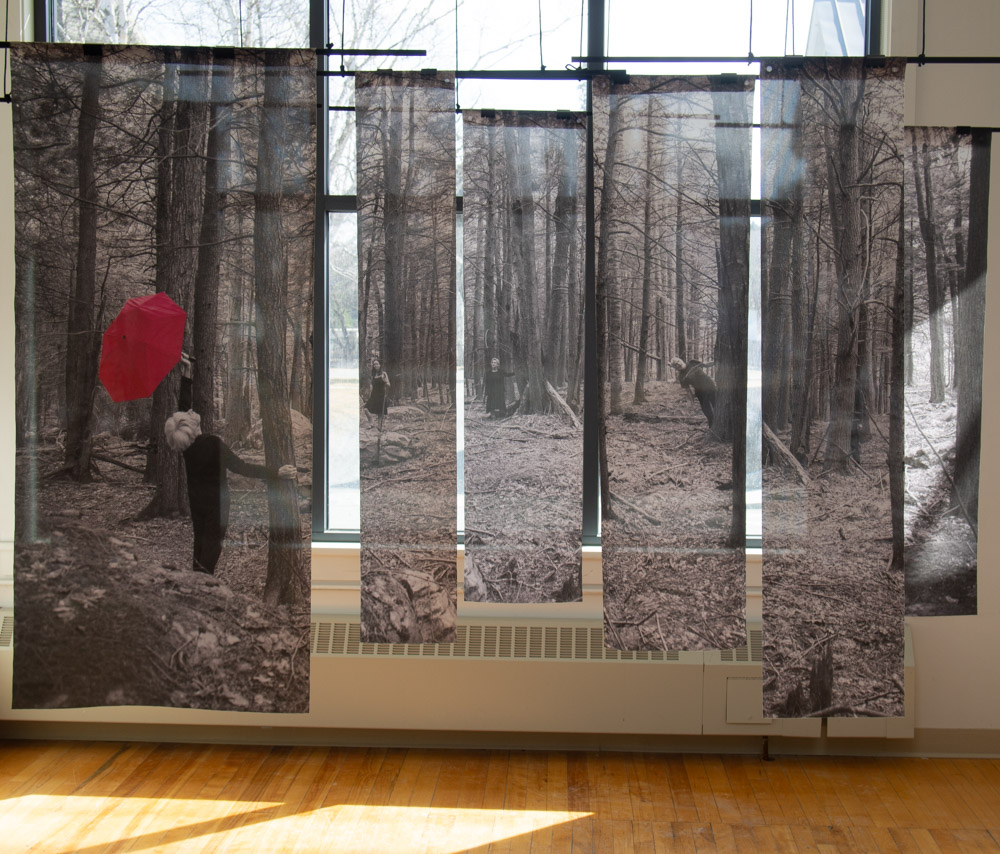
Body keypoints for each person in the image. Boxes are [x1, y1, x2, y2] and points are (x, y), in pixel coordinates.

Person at [164, 410, 296, 575]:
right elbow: (241, 467)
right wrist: (276, 472)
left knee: (200, 543)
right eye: (188, 415)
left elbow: (186, 426)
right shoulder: (213, 443)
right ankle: (203, 582)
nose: (191, 412)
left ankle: (196, 580)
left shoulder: (187, 448)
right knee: (211, 547)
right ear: (193, 427)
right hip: (217, 503)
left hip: (196, 501)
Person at [670, 356, 717, 428]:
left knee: (717, 405)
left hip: (710, 386)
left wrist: (716, 362)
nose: (678, 364)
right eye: (676, 364)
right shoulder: (681, 377)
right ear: (675, 368)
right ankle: (712, 428)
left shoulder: (692, 362)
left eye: (678, 361)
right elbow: (688, 390)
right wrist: (692, 402)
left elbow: (706, 365)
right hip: (700, 392)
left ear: (681, 360)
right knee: (707, 411)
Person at [364, 358, 390, 426]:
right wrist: (369, 394)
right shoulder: (373, 374)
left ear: (380, 365)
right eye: (374, 364)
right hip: (374, 394)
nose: (375, 365)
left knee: (380, 412)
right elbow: (371, 386)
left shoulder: (384, 373)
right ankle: (371, 422)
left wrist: (385, 381)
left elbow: (388, 384)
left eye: (377, 364)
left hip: (381, 394)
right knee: (366, 409)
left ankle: (379, 427)